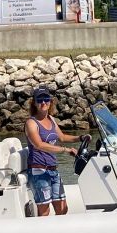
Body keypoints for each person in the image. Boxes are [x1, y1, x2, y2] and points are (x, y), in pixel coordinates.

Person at [24, 85, 84, 216]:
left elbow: (62, 137)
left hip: (53, 170)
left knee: (62, 209)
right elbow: (39, 145)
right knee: (44, 211)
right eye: (39, 100)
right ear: (34, 103)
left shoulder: (51, 119)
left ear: (50, 101)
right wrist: (65, 150)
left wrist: (80, 137)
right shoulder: (31, 123)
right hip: (39, 171)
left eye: (46, 99)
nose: (43, 102)